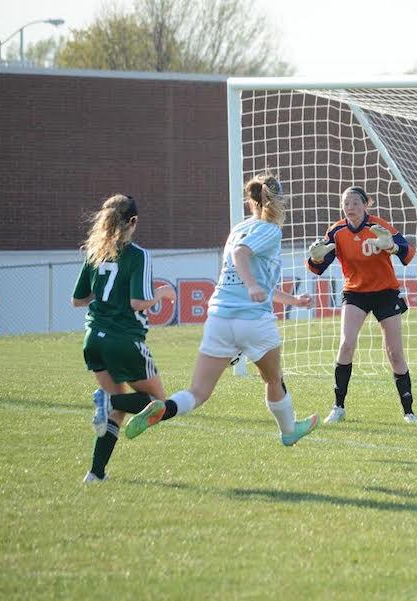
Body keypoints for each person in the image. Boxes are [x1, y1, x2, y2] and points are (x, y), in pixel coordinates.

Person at [124, 173, 319, 447]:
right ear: (279, 201)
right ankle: (289, 431)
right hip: (252, 320)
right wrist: (252, 287)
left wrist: (293, 301)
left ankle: (164, 408)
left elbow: (254, 276)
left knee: (198, 392)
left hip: (219, 317)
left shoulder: (239, 228)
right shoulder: (270, 230)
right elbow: (242, 257)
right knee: (274, 379)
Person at [72, 194, 176, 483]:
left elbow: (78, 299)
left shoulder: (95, 252)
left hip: (93, 339)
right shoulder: (137, 254)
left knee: (117, 409)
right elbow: (137, 302)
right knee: (158, 402)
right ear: (133, 221)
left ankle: (95, 473)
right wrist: (163, 294)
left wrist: (105, 287)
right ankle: (107, 401)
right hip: (123, 340)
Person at [306, 185, 417, 424]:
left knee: (395, 352)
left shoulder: (378, 226)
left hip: (386, 292)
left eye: (356, 203)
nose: (350, 208)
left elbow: (408, 254)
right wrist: (314, 258)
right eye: (346, 203)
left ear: (366, 204)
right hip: (355, 293)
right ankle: (338, 407)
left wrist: (392, 246)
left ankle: (409, 411)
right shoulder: (336, 231)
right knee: (346, 344)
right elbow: (318, 267)